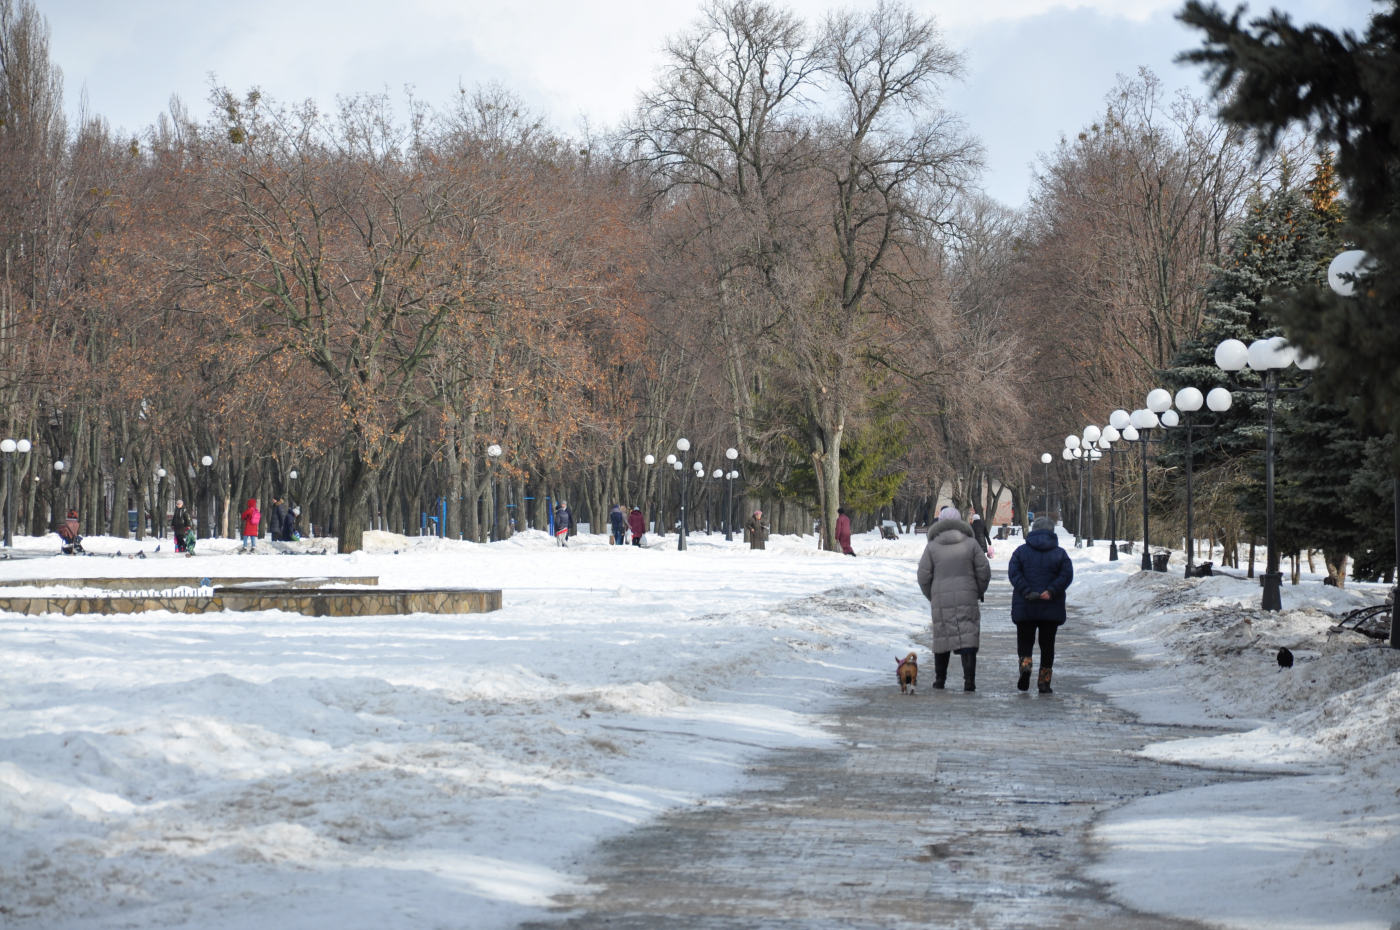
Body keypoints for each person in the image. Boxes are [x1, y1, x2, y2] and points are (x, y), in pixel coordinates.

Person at [917, 506, 991, 691]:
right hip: (967, 595)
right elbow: (984, 572)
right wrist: (977, 591)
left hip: (941, 598)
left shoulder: (932, 546)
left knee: (942, 636)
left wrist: (933, 595)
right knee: (968, 636)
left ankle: (940, 680)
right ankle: (969, 681)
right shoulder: (971, 544)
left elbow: (923, 576)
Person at [1007, 516, 1074, 694]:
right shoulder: (1060, 553)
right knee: (1047, 645)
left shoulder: (1020, 552)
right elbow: (1066, 575)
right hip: (1050, 606)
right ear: (1052, 532)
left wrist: (1027, 591)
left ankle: (1025, 666)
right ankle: (1044, 682)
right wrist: (1051, 591)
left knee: (1025, 640)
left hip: (1025, 604)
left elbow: (1014, 573)